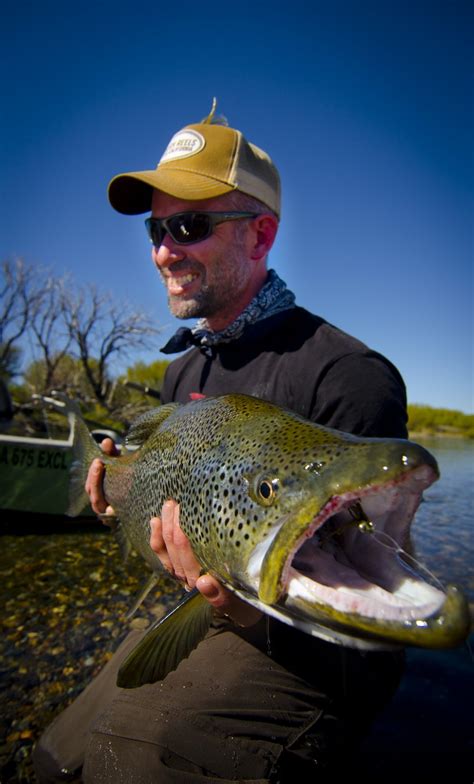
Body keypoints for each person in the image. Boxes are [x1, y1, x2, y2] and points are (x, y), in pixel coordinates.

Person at [34, 104, 408, 783]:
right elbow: (156, 484)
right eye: (156, 229)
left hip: (291, 645)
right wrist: (117, 491)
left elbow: (373, 636)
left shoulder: (345, 374)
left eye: (188, 225)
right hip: (196, 608)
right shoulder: (183, 369)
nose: (162, 250)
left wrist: (238, 600)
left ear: (261, 235)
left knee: (134, 763)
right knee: (53, 762)